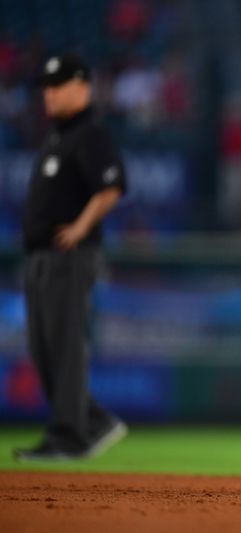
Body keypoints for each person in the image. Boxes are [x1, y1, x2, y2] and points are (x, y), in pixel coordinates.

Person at [13, 53, 128, 462]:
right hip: (41, 256)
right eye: (46, 86)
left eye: (57, 85)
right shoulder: (58, 136)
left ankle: (69, 436)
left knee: (63, 346)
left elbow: (113, 185)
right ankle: (91, 421)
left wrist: (81, 226)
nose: (49, 93)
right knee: (43, 348)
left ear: (81, 87)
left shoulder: (88, 134)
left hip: (68, 256)